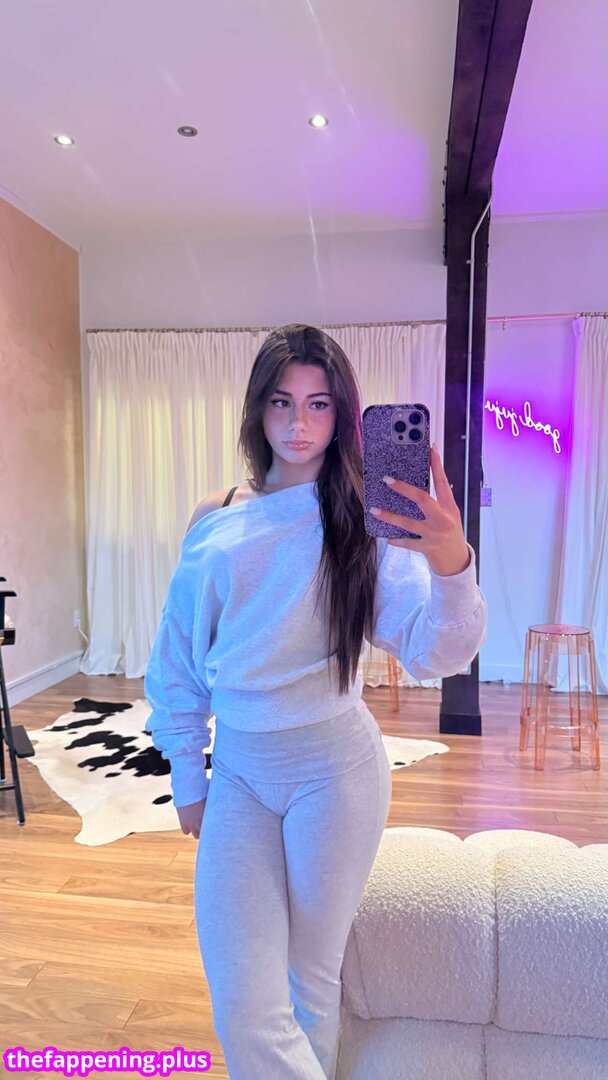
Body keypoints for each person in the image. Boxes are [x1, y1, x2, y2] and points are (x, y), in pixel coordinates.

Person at [144, 323, 487, 1079]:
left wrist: (450, 562)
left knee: (311, 980)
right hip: (239, 774)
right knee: (245, 1005)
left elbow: (436, 651)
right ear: (257, 409)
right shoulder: (216, 516)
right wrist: (187, 772)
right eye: (282, 401)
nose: (298, 423)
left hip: (337, 772)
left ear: (342, 415)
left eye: (319, 403)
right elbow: (178, 655)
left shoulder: (365, 523)